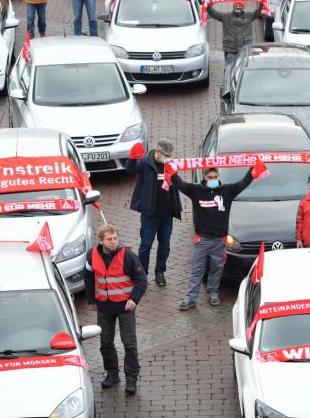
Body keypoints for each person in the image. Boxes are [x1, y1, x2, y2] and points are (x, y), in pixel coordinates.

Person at [173, 166, 254, 310]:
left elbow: (243, 183)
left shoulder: (227, 191)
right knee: (197, 270)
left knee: (217, 269)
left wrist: (252, 171)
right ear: (204, 178)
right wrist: (171, 170)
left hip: (219, 241)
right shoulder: (195, 190)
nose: (213, 180)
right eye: (210, 178)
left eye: (215, 177)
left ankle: (213, 293)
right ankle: (191, 298)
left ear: (218, 177)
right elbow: (179, 183)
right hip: (202, 240)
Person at [84, 224, 147, 395]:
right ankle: (112, 374)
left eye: (115, 238)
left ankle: (131, 378)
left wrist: (134, 299)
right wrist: (92, 299)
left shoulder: (127, 256)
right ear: (101, 241)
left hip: (125, 306)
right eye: (109, 239)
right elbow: (88, 275)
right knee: (105, 342)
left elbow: (142, 279)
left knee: (129, 343)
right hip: (104, 307)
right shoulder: (92, 255)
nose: (113, 242)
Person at [125, 140, 181, 286]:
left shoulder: (170, 164)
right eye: (165, 155)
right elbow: (130, 169)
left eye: (169, 155)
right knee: (146, 244)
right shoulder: (145, 163)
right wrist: (132, 158)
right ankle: (142, 274)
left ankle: (160, 272)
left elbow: (177, 183)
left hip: (167, 213)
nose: (167, 157)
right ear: (157, 152)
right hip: (150, 213)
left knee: (165, 245)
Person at [206, 0, 262, 65]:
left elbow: (258, 12)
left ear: (243, 7)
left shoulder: (249, 16)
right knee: (230, 68)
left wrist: (262, 2)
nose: (238, 7)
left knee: (244, 67)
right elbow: (214, 13)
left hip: (245, 48)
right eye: (236, 5)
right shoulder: (226, 16)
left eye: (240, 6)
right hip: (230, 49)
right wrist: (208, 5)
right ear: (233, 6)